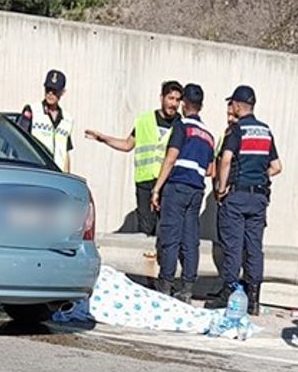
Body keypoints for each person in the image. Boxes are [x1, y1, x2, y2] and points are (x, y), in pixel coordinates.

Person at [208, 85, 282, 315]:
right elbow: (277, 167)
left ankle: (229, 290)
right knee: (254, 247)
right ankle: (254, 299)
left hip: (237, 195)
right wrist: (259, 177)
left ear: (238, 105)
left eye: (232, 104)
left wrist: (221, 187)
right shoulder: (266, 131)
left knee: (233, 245)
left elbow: (227, 159)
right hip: (259, 197)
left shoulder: (237, 130)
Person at [85, 80, 183, 236]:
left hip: (169, 182)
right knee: (146, 229)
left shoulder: (181, 124)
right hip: (145, 182)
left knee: (167, 228)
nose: (174, 104)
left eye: (177, 100)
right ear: (161, 98)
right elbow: (127, 144)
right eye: (170, 98)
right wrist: (103, 139)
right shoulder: (145, 121)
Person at [150, 84, 215, 302]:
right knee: (190, 239)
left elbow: (170, 158)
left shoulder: (181, 127)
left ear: (184, 103)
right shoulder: (208, 135)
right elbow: (210, 170)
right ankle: (187, 288)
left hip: (177, 187)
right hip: (196, 190)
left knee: (170, 236)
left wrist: (157, 189)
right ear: (201, 106)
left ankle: (165, 286)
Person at [16, 69, 74, 173]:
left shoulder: (67, 119)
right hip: (36, 171)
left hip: (58, 174)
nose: (50, 93)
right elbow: (19, 141)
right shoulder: (32, 110)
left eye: (55, 90)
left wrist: (68, 175)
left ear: (62, 92)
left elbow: (66, 152)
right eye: (48, 89)